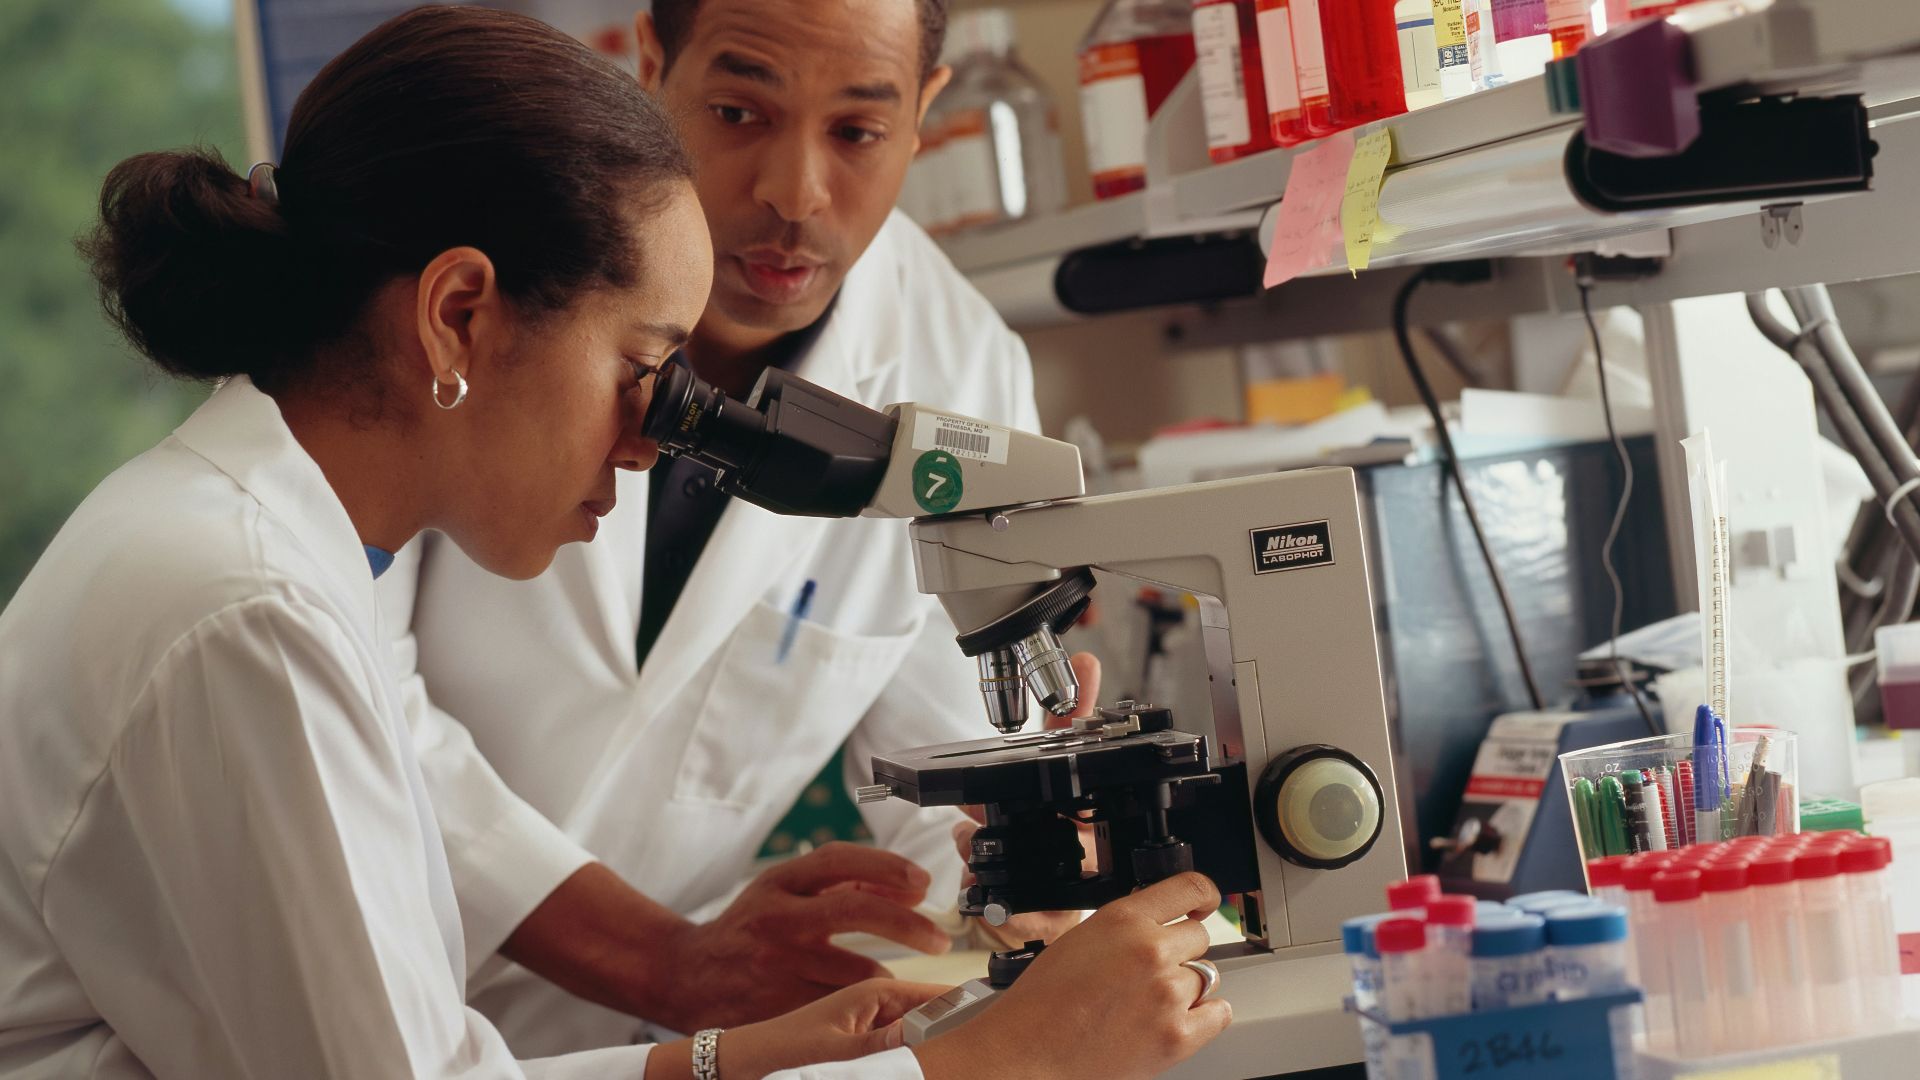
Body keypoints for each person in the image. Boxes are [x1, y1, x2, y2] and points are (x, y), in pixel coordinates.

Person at [0, 8, 1231, 1078]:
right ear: (458, 317)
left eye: (858, 128)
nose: (654, 441)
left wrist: (731, 1058)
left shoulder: (241, 536)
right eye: (644, 367)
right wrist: (993, 1070)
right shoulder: (252, 615)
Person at [378, 0, 1081, 1056]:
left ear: (927, 112)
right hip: (364, 966)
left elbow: (952, 774)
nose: (794, 195)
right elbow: (342, 682)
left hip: (643, 1041)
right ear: (651, 63)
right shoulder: (477, 277)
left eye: (857, 131)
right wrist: (655, 955)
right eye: (738, 110)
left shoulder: (960, 372)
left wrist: (1027, 873)